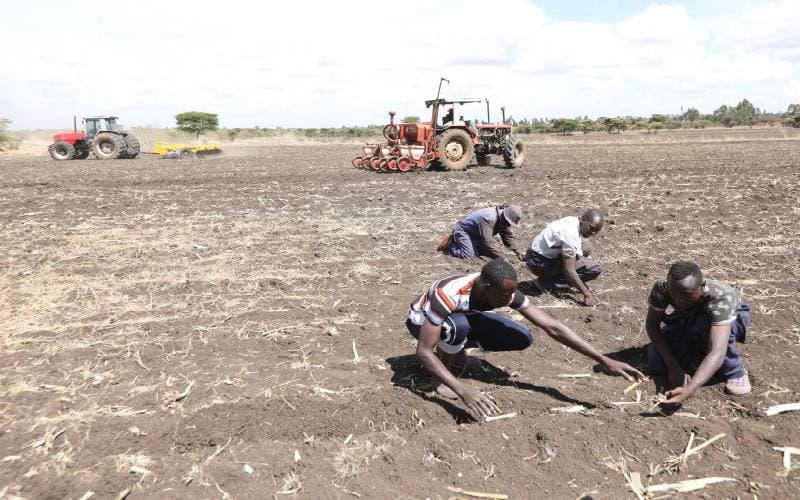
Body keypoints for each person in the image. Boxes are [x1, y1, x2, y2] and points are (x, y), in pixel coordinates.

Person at [406, 259, 644, 419]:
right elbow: (423, 351)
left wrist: (603, 359)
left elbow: (552, 326)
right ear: (487, 288)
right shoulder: (449, 295)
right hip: (421, 320)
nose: (511, 298)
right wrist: (462, 391)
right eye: (506, 293)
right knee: (457, 326)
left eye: (513, 292)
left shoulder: (500, 290)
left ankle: (454, 353)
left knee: (522, 337)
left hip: (461, 315)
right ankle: (442, 380)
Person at [646, 261, 752, 410]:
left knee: (704, 328)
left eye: (686, 294)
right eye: (673, 294)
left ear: (701, 287)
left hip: (731, 318)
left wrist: (688, 389)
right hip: (687, 314)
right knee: (656, 364)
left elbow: (718, 351)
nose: (678, 299)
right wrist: (673, 367)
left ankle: (735, 371)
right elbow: (652, 326)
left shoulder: (720, 297)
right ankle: (698, 359)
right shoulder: (663, 288)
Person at [524, 209, 604, 306]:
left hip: (539, 254)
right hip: (537, 261)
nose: (593, 233)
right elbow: (569, 270)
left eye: (597, 231)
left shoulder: (574, 221)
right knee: (593, 269)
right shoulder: (570, 233)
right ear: (583, 219)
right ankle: (545, 283)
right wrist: (586, 293)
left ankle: (560, 278)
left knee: (587, 247)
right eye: (591, 228)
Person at [438, 205, 524, 261]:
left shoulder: (504, 219)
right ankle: (450, 243)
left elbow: (507, 236)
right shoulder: (488, 219)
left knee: (483, 252)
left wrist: (517, 252)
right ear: (504, 215)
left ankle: (470, 244)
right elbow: (488, 242)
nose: (507, 224)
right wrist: (501, 258)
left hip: (477, 234)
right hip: (464, 231)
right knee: (469, 255)